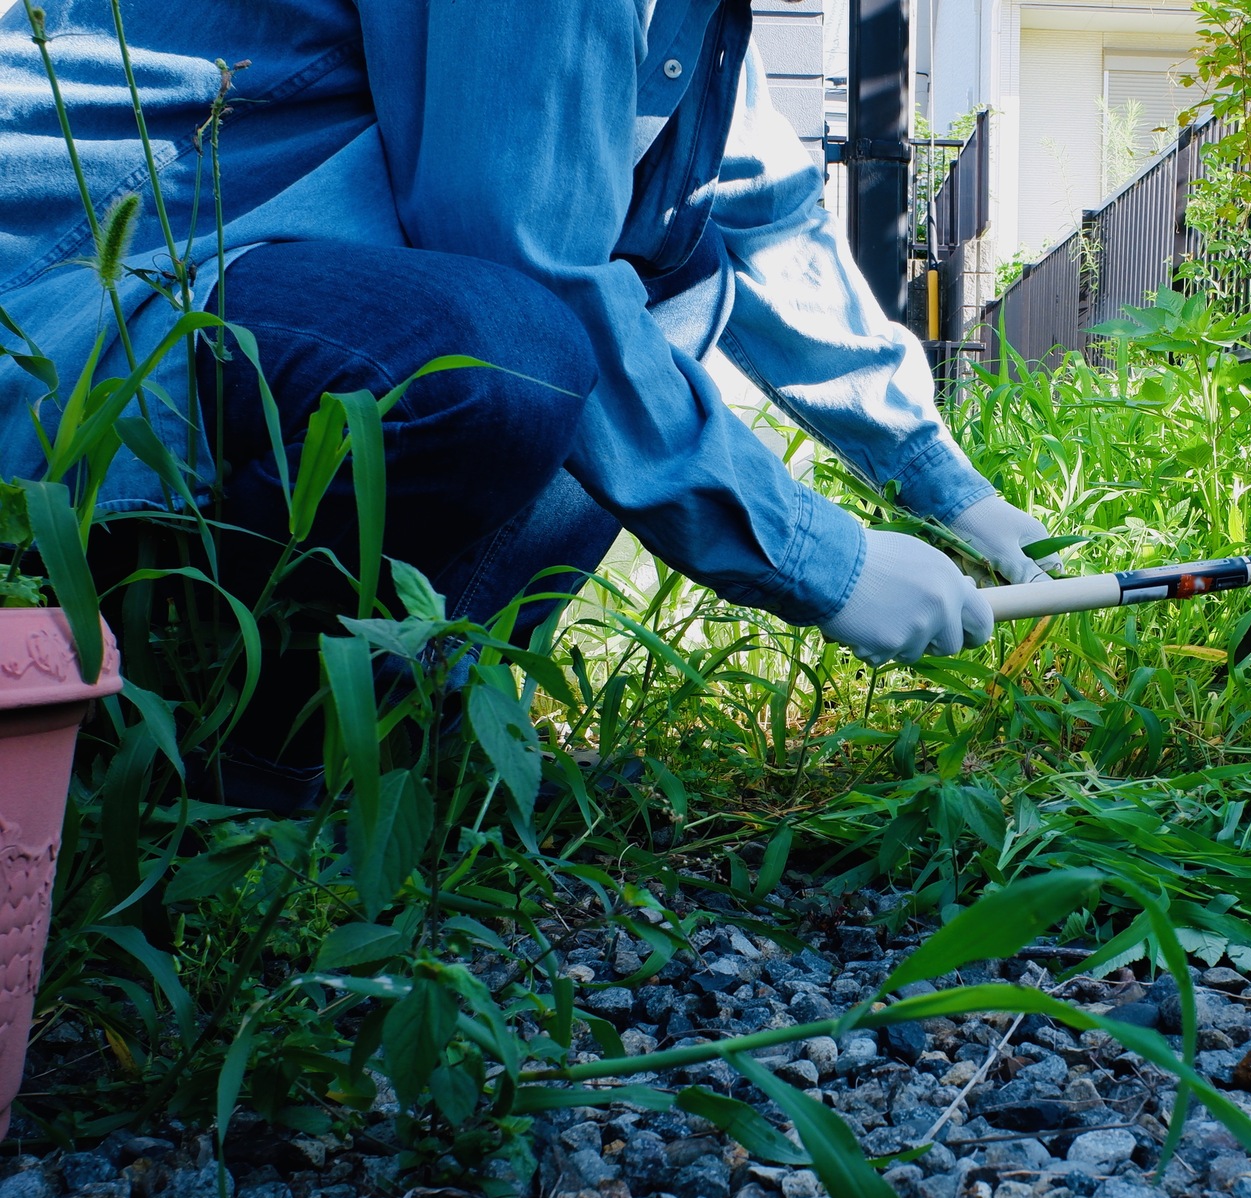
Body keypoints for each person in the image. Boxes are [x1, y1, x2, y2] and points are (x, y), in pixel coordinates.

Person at [0, 0, 1055, 794]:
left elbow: (756, 210)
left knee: (662, 271)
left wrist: (946, 488)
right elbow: (522, 246)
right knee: (510, 351)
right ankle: (235, 758)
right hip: (97, 291)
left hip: (286, 282)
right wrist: (823, 563)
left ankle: (414, 724)